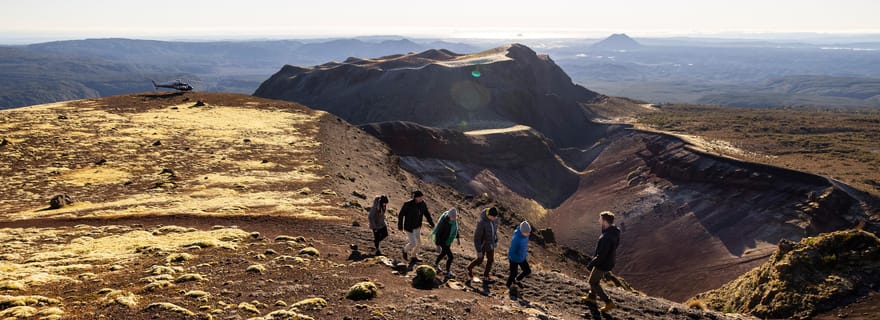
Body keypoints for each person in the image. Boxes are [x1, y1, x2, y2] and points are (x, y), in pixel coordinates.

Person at [582, 211, 621, 313]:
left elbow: (601, 255)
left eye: (600, 219)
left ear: (604, 221)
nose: (598, 220)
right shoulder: (614, 232)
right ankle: (591, 297)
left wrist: (591, 264)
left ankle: (608, 302)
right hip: (608, 261)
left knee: (593, 282)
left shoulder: (606, 237)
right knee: (594, 280)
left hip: (602, 263)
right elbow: (615, 247)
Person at [397, 190, 435, 262]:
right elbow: (401, 215)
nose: (421, 199)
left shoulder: (423, 204)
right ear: (415, 198)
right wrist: (400, 225)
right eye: (420, 197)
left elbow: (427, 214)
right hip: (409, 227)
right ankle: (404, 250)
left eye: (422, 197)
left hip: (417, 227)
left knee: (419, 243)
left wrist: (432, 224)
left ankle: (413, 256)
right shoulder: (408, 204)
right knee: (413, 243)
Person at [466, 207, 499, 283]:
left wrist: (495, 241)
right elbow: (477, 238)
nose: (495, 218)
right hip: (483, 245)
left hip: (490, 244)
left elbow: (494, 232)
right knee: (480, 259)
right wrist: (479, 250)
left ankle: (486, 276)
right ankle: (469, 268)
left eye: (495, 217)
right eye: (493, 217)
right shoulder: (482, 223)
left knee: (490, 260)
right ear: (489, 215)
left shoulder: (493, 221)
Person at [429, 207, 461, 278]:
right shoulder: (444, 223)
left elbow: (456, 230)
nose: (455, 218)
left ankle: (436, 264)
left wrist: (458, 238)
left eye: (455, 216)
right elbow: (438, 234)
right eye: (453, 217)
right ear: (449, 216)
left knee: (443, 253)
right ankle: (448, 272)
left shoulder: (454, 221)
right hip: (443, 241)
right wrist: (437, 245)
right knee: (451, 257)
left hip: (448, 241)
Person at [506, 221, 532, 288]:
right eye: (527, 232)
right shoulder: (516, 239)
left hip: (522, 257)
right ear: (522, 231)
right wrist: (515, 259)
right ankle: (508, 286)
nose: (528, 234)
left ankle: (516, 280)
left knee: (527, 271)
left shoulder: (525, 236)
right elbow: (512, 251)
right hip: (514, 259)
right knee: (513, 274)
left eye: (529, 232)